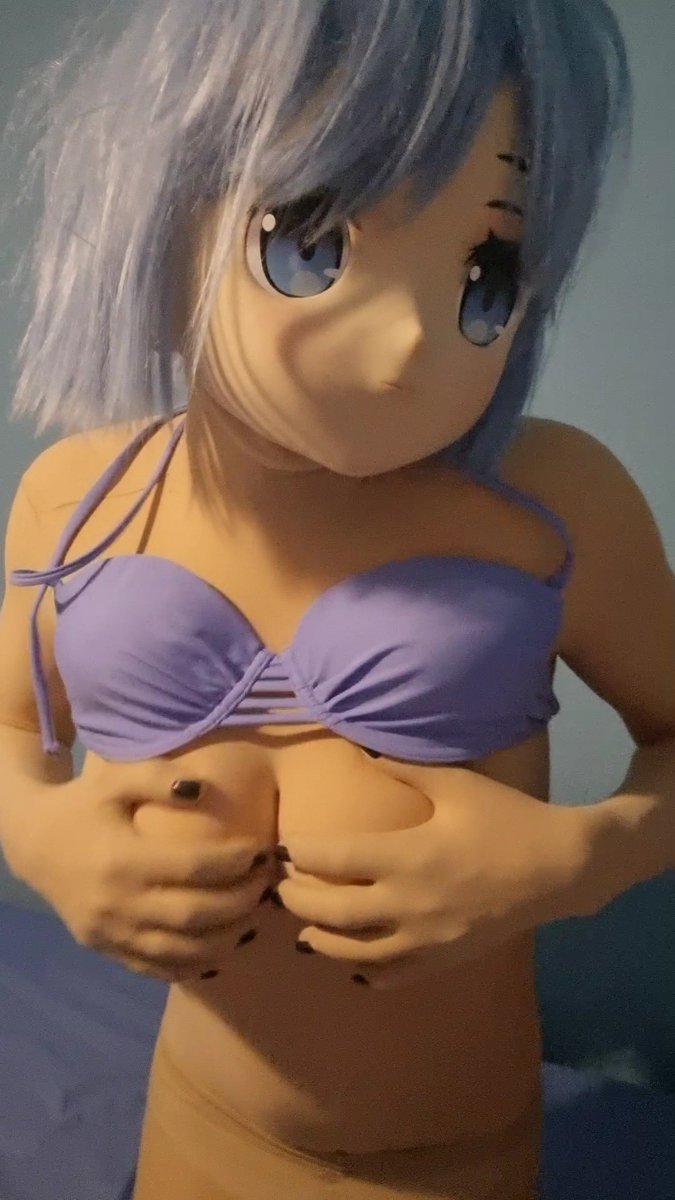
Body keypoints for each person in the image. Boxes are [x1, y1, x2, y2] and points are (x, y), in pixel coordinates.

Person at [1, 2, 673, 1197]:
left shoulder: (556, 503)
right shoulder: (79, 497)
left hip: (451, 1165)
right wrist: (41, 836)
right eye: (312, 241)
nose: (411, 341)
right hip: (194, 1126)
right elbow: (12, 723)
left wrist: (583, 858)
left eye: (486, 272)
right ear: (166, 197)